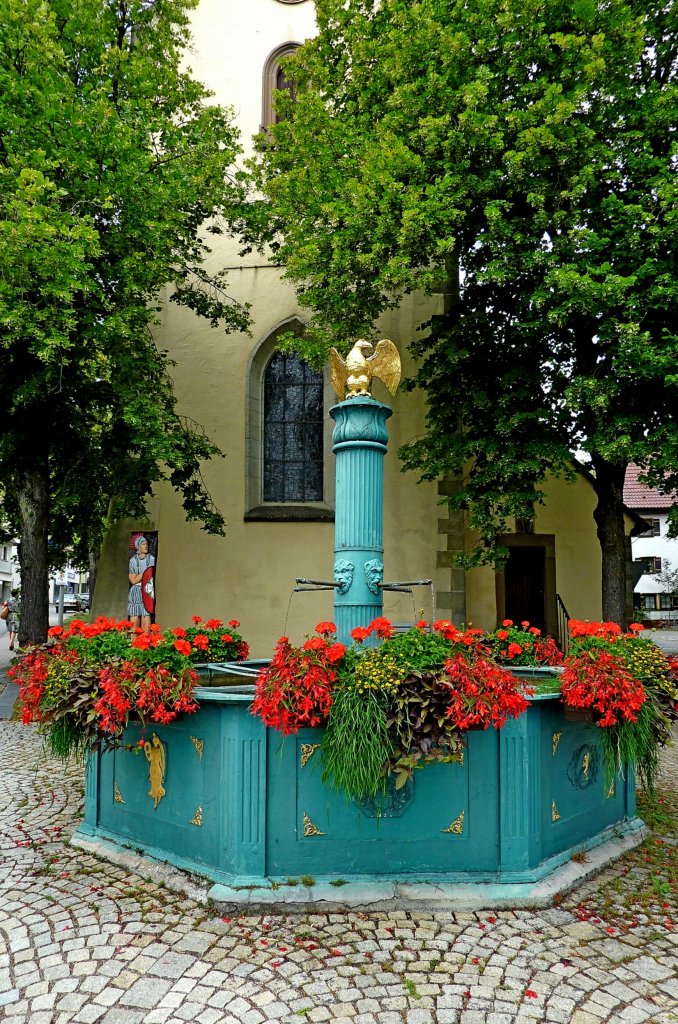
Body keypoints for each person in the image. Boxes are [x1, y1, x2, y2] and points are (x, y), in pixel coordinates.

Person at [128, 536, 155, 630]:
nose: (146, 546)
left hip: (147, 589)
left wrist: (139, 576)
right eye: (143, 544)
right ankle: (133, 641)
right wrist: (144, 574)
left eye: (146, 544)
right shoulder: (133, 561)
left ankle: (145, 639)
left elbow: (149, 575)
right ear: (138, 546)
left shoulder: (151, 559)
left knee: (146, 613)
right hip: (136, 591)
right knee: (134, 614)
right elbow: (133, 580)